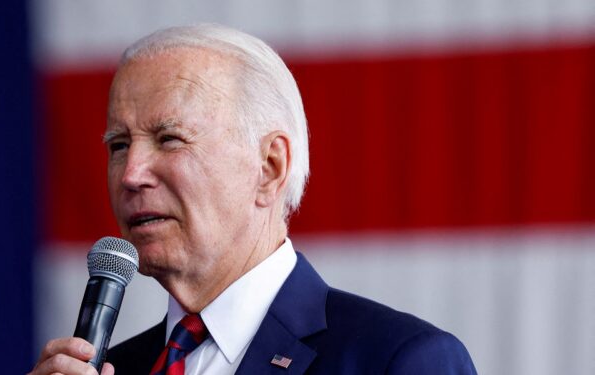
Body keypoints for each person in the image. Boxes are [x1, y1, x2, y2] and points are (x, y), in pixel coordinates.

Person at [29, 24, 477, 375]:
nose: (131, 175)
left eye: (169, 139)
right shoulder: (111, 368)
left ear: (270, 167)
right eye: (118, 144)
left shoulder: (395, 361)